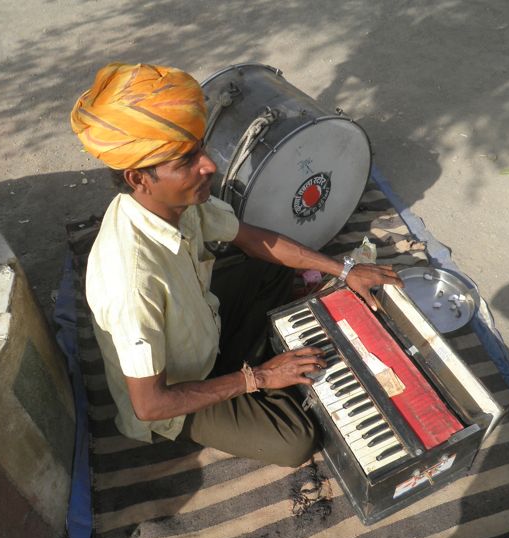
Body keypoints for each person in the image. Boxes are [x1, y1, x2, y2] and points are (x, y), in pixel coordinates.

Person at [71, 63, 401, 467]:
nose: (209, 165)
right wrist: (257, 378)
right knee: (295, 440)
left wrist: (344, 270)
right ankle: (270, 369)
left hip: (203, 333)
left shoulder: (178, 203)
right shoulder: (131, 281)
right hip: (178, 393)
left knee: (276, 264)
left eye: (200, 149)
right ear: (139, 178)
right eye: (186, 160)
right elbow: (150, 404)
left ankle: (268, 357)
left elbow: (252, 238)